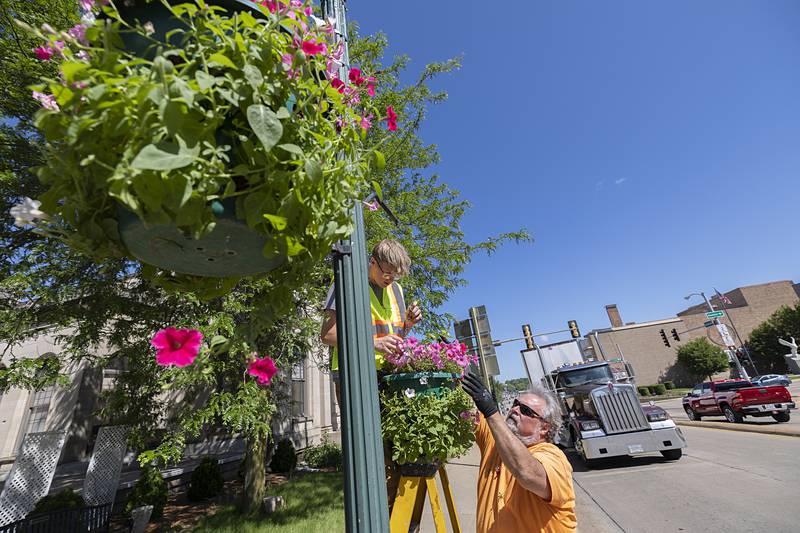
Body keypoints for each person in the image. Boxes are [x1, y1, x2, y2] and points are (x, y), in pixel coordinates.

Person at [319, 238, 422, 509]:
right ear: (372, 262)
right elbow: (327, 334)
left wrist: (407, 325)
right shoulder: (346, 282)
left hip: (388, 376)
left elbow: (395, 336)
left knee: (400, 452)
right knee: (373, 456)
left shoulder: (396, 290)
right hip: (355, 377)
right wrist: (371, 342)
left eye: (395, 274)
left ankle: (396, 519)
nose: (390, 278)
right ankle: (380, 517)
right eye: (386, 271)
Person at [461, 372, 577, 532]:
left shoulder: (553, 457)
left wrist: (491, 412)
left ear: (544, 427)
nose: (515, 409)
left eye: (525, 410)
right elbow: (465, 403)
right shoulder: (495, 441)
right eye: (516, 403)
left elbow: (527, 473)